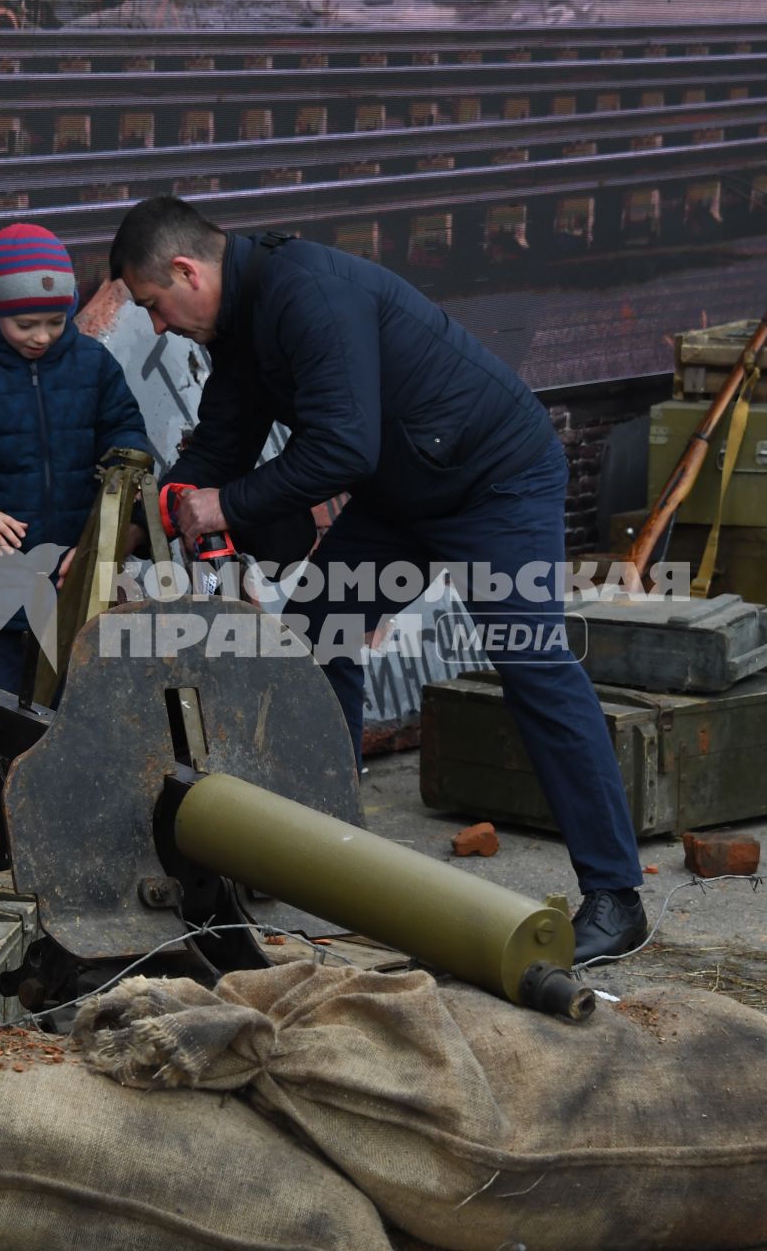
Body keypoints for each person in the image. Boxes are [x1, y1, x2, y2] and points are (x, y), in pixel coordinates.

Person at [108, 196, 648, 962]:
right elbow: (222, 445)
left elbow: (341, 451)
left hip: (496, 479)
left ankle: (617, 897)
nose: (156, 326)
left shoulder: (308, 295)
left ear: (188, 271)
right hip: (407, 490)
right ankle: (329, 844)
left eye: (154, 306)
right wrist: (136, 524)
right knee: (315, 631)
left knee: (530, 659)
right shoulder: (241, 326)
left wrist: (224, 504)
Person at [0, 222, 151, 692]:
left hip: (74, 584)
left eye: (56, 322)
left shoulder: (93, 365)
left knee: (74, 707)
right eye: (25, 324)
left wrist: (109, 535)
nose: (42, 336)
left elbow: (128, 440)